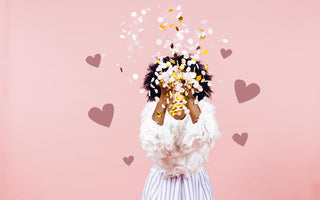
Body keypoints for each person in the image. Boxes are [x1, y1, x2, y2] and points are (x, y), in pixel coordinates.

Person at [139, 54, 222, 200]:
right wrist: (163, 100)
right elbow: (152, 141)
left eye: (183, 81)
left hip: (193, 180)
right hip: (163, 180)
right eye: (172, 81)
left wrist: (190, 99)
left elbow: (205, 136)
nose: (177, 86)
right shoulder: (156, 110)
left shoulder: (200, 109)